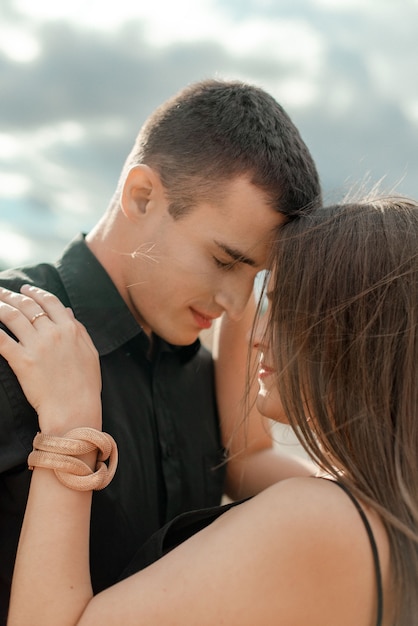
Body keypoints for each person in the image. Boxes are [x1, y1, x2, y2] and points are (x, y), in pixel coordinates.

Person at [3, 195, 418, 624]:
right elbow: (247, 457)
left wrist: (72, 424)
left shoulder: (319, 519)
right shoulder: (386, 504)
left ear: (353, 332)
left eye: (284, 307)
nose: (258, 333)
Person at [0, 78, 321, 622]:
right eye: (225, 261)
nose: (237, 302)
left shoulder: (205, 377)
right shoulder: (12, 342)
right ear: (141, 195)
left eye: (257, 276)